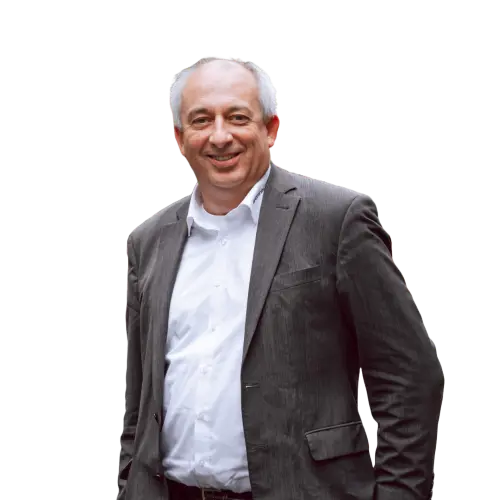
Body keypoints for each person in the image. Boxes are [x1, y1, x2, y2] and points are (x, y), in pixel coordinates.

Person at [118, 56, 444, 500]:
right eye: (201, 120)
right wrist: (129, 482)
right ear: (180, 138)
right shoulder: (149, 241)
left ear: (271, 129)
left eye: (237, 117)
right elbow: (140, 397)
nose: (220, 136)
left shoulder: (336, 221)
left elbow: (410, 378)